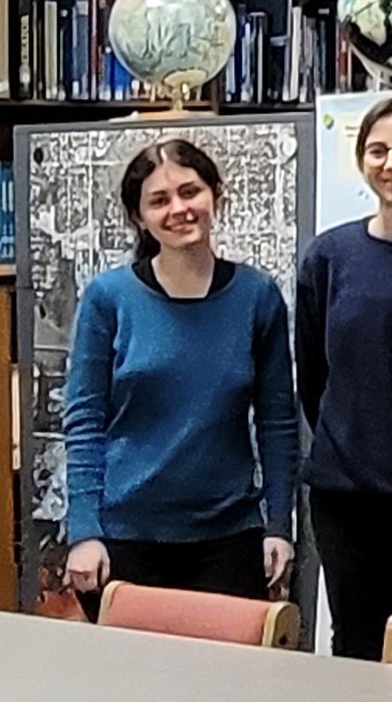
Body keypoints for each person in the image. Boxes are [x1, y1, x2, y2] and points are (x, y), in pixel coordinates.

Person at [62, 139, 299, 612]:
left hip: (229, 538)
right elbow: (84, 421)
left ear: (215, 194)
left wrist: (278, 525)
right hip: (127, 538)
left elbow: (277, 423)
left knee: (225, 685)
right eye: (159, 200)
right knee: (135, 685)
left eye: (190, 192)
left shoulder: (257, 297)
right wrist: (85, 531)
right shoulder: (108, 298)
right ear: (138, 216)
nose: (179, 209)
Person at [295, 98, 392, 656]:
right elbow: (312, 373)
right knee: (358, 648)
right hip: (349, 496)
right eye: (378, 151)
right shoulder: (329, 257)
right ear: (362, 162)